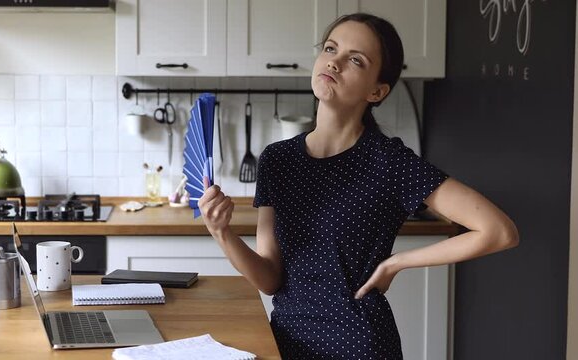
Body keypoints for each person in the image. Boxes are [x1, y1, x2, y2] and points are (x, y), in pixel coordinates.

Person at [198, 13, 519, 360]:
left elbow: (499, 231)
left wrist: (396, 263)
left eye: (355, 59)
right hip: (287, 341)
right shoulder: (277, 159)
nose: (334, 62)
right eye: (330, 49)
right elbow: (270, 279)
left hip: (359, 344)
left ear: (377, 90)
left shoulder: (388, 161)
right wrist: (222, 233)